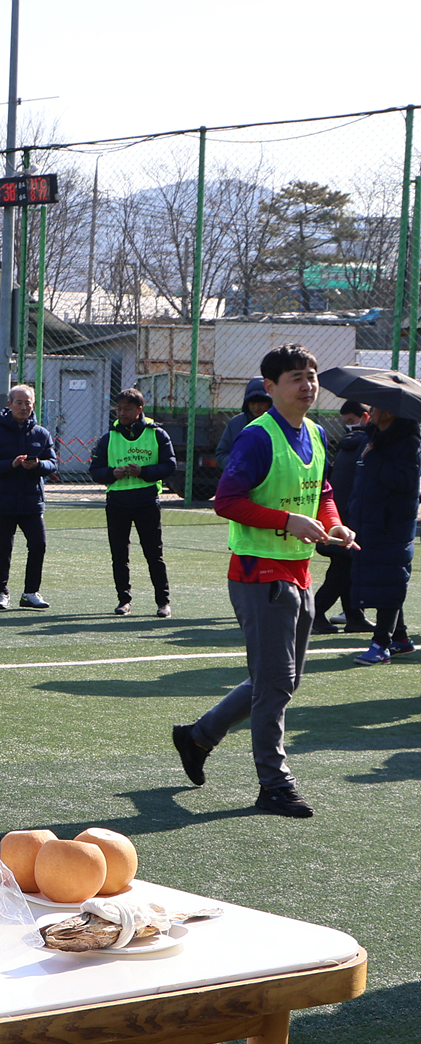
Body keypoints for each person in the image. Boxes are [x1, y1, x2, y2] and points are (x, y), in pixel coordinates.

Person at [172, 344, 355, 819]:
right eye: (297, 377)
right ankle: (274, 785)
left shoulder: (316, 432)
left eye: (312, 376)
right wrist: (288, 521)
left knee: (279, 681)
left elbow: (322, 490)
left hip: (298, 570)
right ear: (270, 387)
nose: (308, 385)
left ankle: (199, 736)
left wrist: (333, 524)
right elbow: (226, 501)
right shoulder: (258, 437)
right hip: (259, 572)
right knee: (274, 684)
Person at [88, 387, 178, 617]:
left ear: (139, 410)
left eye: (127, 409)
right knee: (119, 555)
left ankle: (163, 602)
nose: (121, 413)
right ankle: (124, 600)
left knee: (154, 554)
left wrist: (143, 471)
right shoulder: (109, 437)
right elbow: (95, 470)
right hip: (117, 502)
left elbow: (170, 465)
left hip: (146, 501)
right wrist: (111, 473)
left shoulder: (157, 434)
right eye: (118, 409)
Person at [347, 403, 420, 665]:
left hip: (391, 527)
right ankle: (400, 637)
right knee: (384, 580)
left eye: (375, 408)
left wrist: (374, 457)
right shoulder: (373, 438)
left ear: (389, 412)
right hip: (370, 522)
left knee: (390, 581)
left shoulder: (408, 443)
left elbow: (406, 482)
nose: (371, 412)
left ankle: (381, 644)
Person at [0, 384, 59, 609]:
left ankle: (31, 593)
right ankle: (1, 592)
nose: (24, 407)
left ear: (33, 405)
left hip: (32, 501)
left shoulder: (41, 433)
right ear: (10, 404)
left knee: (38, 545)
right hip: (4, 501)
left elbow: (52, 464)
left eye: (28, 403)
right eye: (19, 402)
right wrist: (11, 464)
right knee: (4, 548)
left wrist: (38, 465)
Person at [313, 399, 372, 635]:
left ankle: (354, 616)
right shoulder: (368, 445)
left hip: (337, 517)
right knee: (342, 570)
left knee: (344, 567)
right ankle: (314, 612)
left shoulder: (347, 445)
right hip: (348, 518)